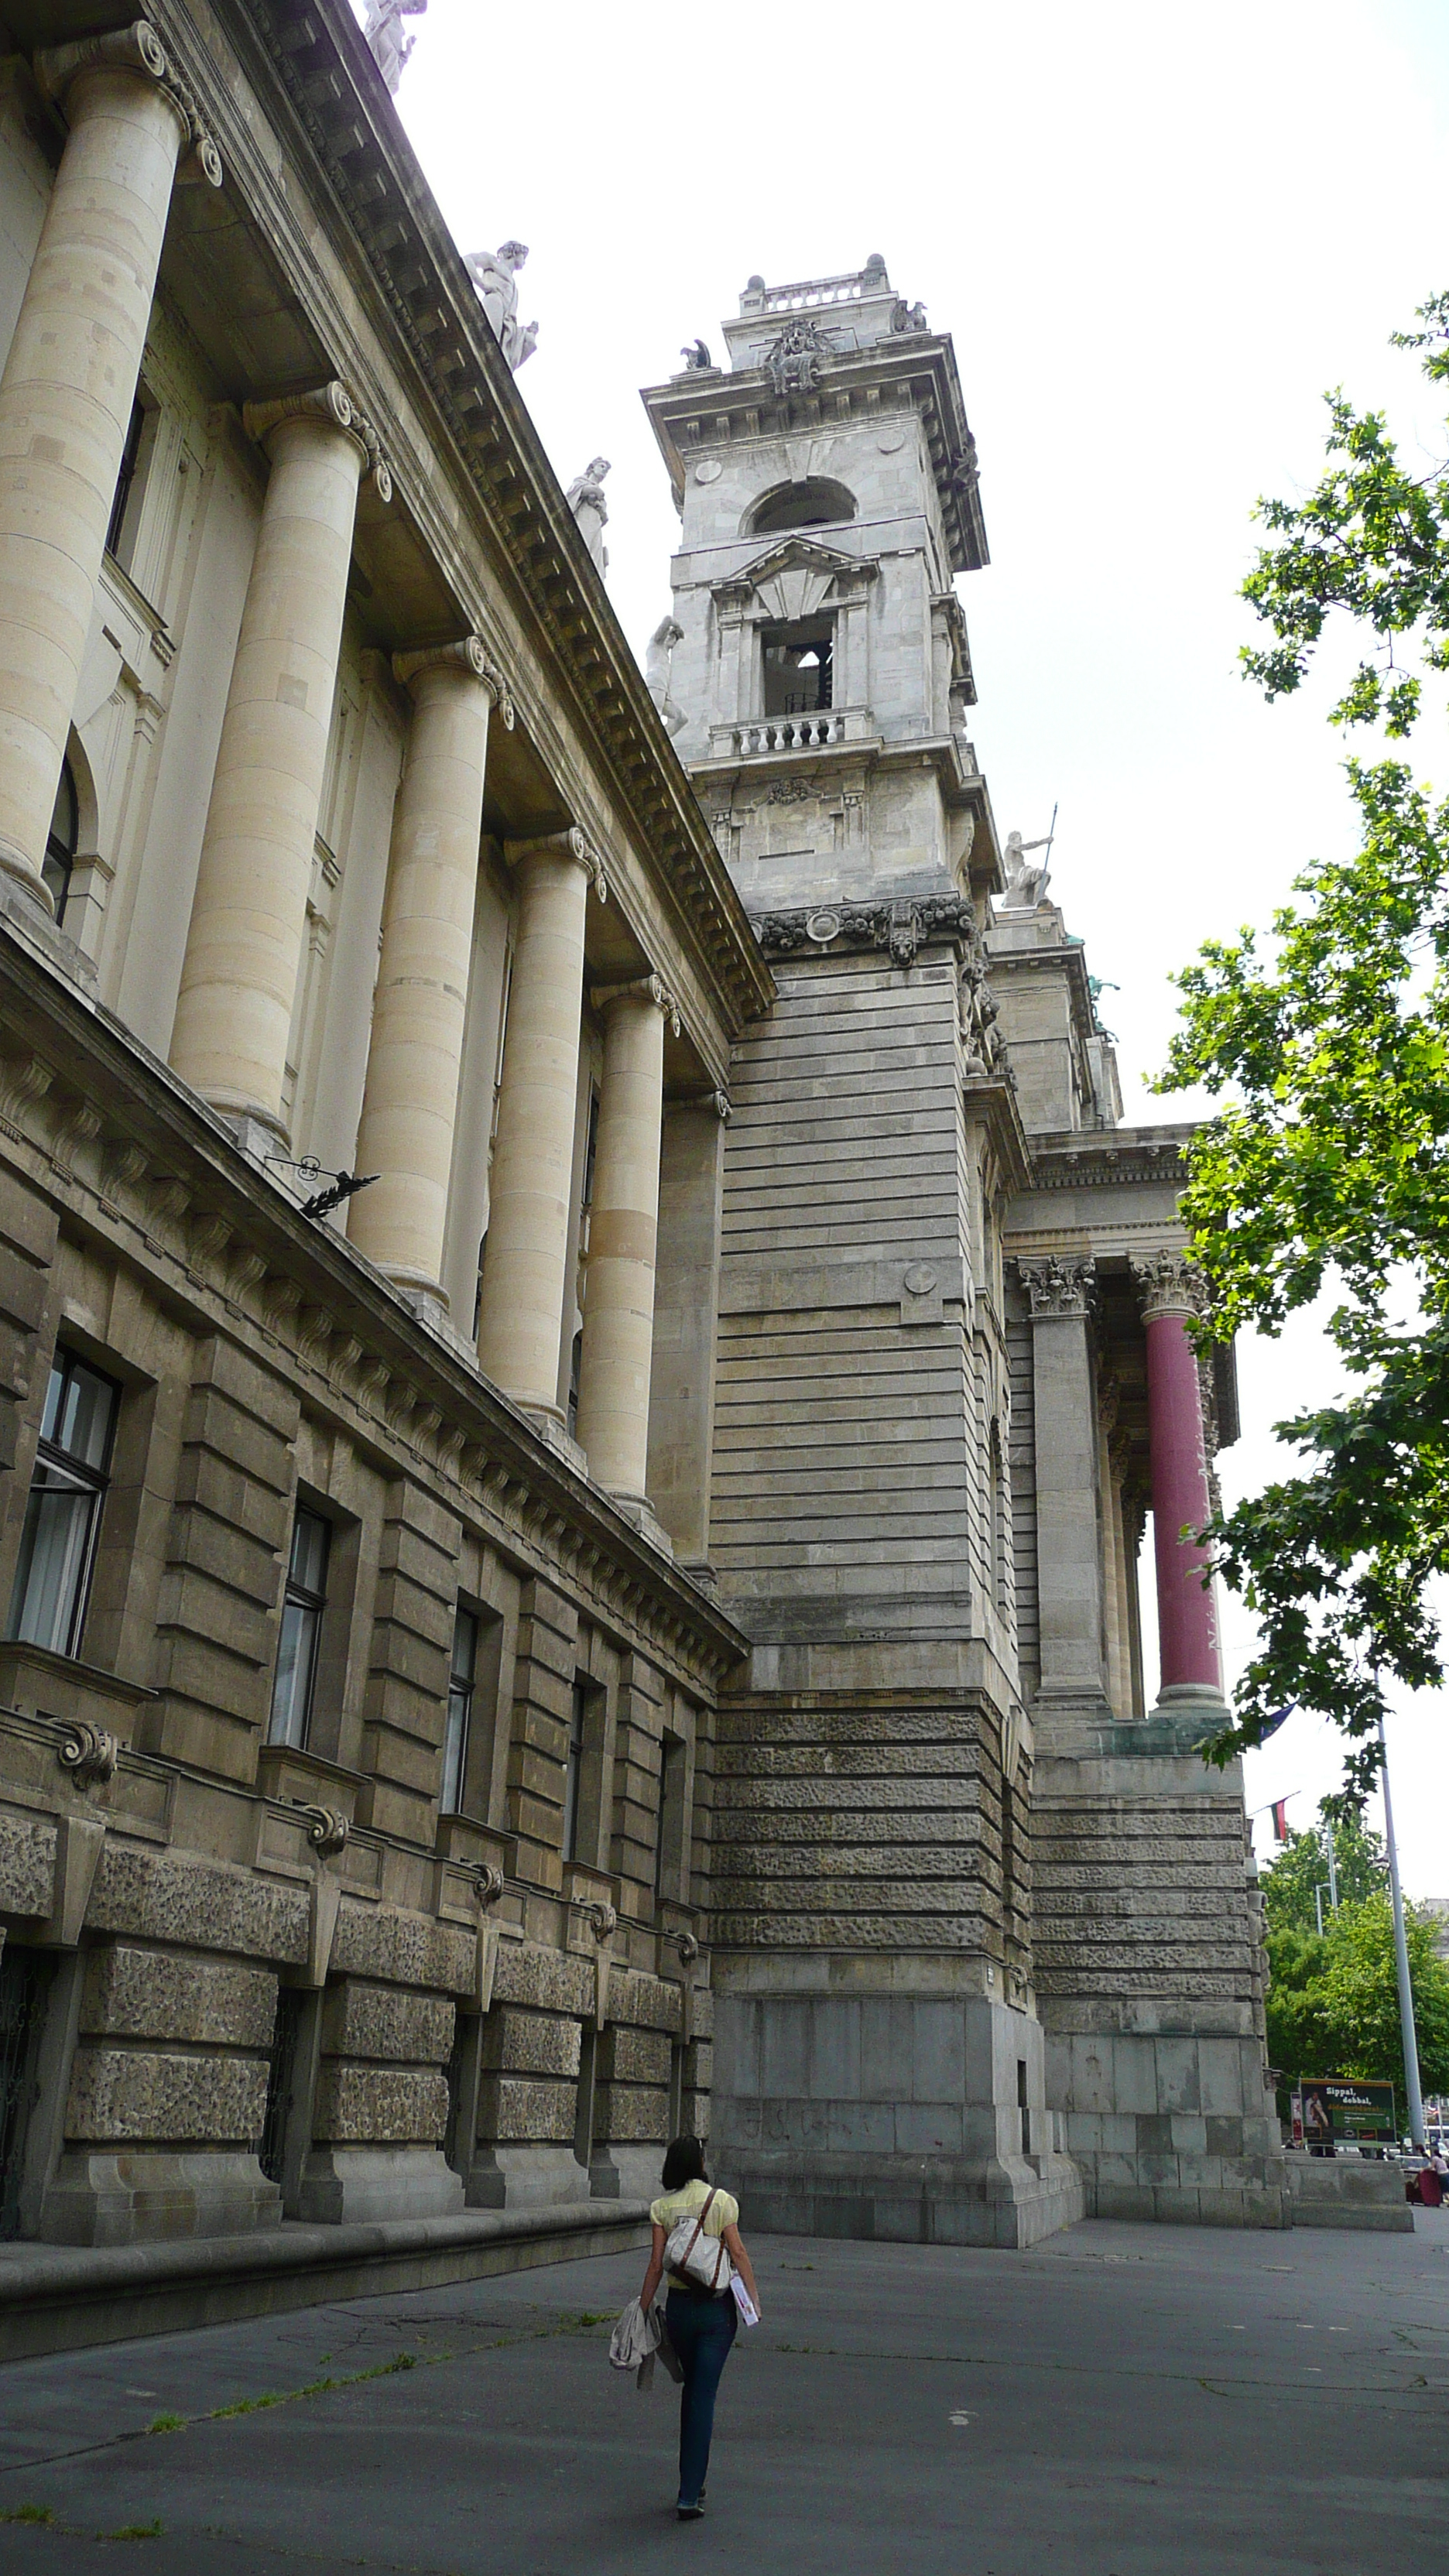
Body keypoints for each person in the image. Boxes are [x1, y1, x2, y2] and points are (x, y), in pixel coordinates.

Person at [637, 2133, 762, 2522]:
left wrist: (642, 2310)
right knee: (702, 2397)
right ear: (701, 2163)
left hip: (678, 2311)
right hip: (715, 2313)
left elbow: (657, 2264)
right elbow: (737, 2252)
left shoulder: (662, 2207)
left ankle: (692, 2482)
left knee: (691, 2392)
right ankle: (689, 2493)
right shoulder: (722, 2202)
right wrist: (753, 2301)